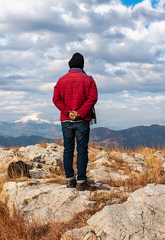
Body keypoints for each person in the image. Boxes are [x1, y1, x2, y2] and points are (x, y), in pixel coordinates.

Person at [52, 53, 98, 191]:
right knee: (82, 150)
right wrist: (80, 113)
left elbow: (56, 99)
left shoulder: (61, 80)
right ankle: (81, 181)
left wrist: (68, 112)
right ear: (82, 65)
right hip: (82, 120)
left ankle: (70, 179)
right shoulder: (89, 80)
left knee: (68, 150)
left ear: (70, 65)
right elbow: (93, 98)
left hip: (66, 120)